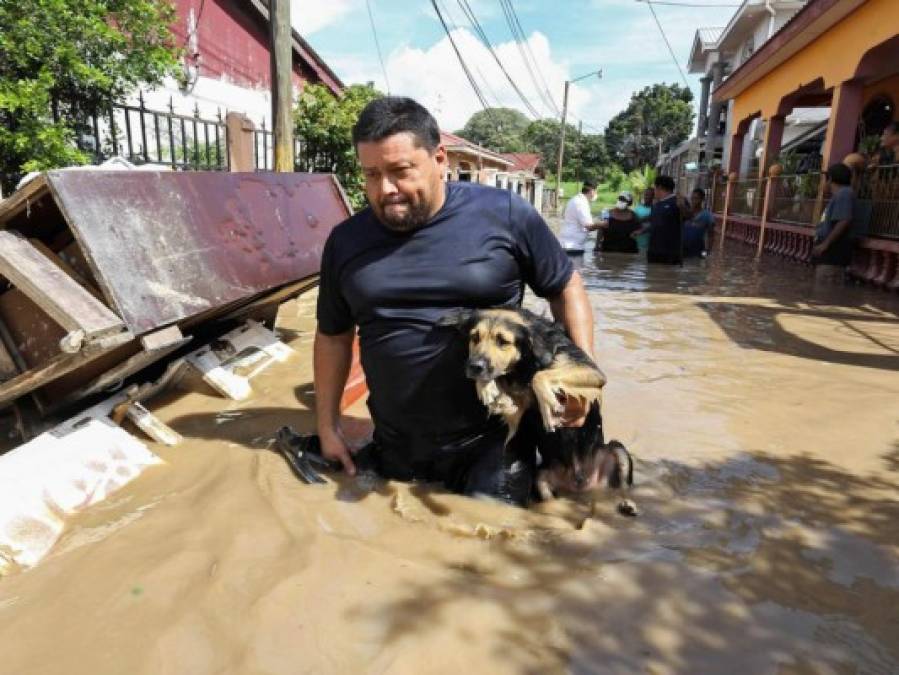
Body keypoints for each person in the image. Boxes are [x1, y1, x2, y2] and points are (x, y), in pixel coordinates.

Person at [314, 97, 596, 507]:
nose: (385, 189)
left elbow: (566, 287)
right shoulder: (346, 241)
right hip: (396, 444)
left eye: (400, 171)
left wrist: (580, 376)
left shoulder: (506, 216)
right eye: (371, 174)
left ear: (440, 158)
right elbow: (333, 337)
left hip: (493, 442)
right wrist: (327, 426)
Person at [813, 163, 857, 283]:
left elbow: (844, 220)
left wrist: (825, 244)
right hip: (829, 254)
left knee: (825, 290)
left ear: (831, 179)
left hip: (833, 253)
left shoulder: (844, 194)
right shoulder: (840, 195)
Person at [634, 175, 683, 265]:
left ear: (659, 187)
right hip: (654, 251)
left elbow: (688, 217)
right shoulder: (656, 204)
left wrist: (682, 206)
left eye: (655, 187)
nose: (654, 191)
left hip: (669, 253)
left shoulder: (676, 202)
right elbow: (654, 223)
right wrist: (641, 231)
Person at [559, 181, 602, 254]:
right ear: (592, 191)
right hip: (572, 246)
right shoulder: (581, 203)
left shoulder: (575, 199)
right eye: (596, 191)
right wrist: (603, 224)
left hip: (569, 243)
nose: (596, 194)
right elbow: (589, 226)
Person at [683, 188, 715, 258]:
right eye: (692, 198)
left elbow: (711, 235)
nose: (693, 201)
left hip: (699, 250)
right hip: (683, 250)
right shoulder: (684, 214)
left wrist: (707, 251)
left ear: (702, 199)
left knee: (699, 266)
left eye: (696, 198)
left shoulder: (708, 216)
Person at [632, 188, 653, 254]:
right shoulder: (638, 208)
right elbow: (633, 222)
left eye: (648, 195)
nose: (646, 197)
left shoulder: (656, 209)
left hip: (650, 245)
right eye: (645, 195)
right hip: (637, 243)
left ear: (653, 196)